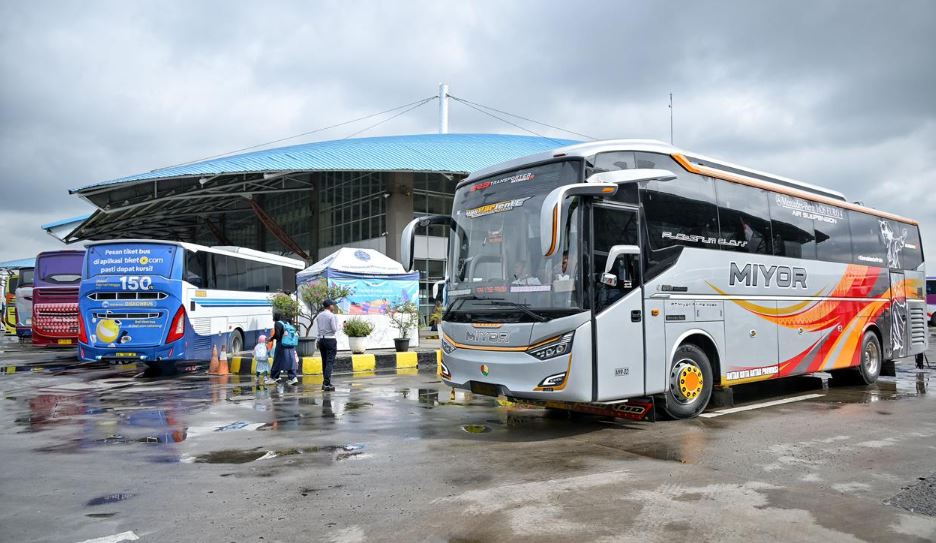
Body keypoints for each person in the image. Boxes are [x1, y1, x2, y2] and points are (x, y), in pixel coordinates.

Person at [315, 300, 339, 391]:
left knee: (324, 361)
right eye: (333, 305)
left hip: (321, 339)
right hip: (330, 339)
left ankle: (325, 382)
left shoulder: (319, 315)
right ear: (329, 306)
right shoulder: (332, 316)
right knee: (330, 361)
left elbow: (318, 329)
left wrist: (318, 339)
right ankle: (326, 383)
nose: (334, 306)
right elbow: (334, 329)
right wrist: (341, 326)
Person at [269, 313, 299, 385]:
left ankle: (274, 377)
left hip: (282, 345)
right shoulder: (288, 322)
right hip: (291, 345)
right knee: (291, 360)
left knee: (277, 360)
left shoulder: (277, 323)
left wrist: (271, 338)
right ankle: (293, 378)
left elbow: (278, 335)